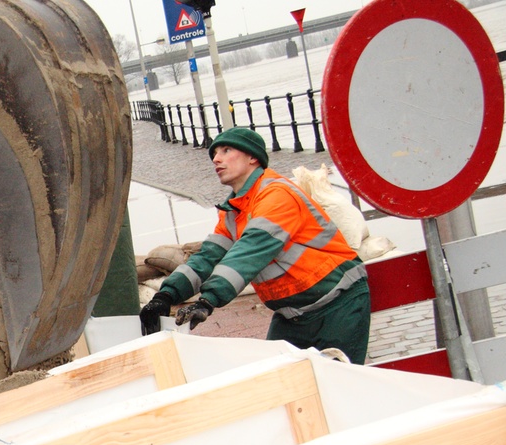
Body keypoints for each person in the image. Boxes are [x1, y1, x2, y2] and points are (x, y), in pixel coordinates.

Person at [139, 127, 371, 364]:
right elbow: (208, 257)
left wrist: (208, 301)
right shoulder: (234, 211)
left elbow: (247, 254)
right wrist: (166, 296)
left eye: (226, 150)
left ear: (253, 157)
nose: (216, 159)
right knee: (277, 381)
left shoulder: (276, 194)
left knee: (341, 385)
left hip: (338, 304)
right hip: (293, 314)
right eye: (214, 154)